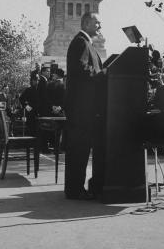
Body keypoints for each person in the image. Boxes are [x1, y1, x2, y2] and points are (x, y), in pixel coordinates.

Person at [64, 12, 104, 200]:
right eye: (97, 22)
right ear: (87, 22)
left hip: (84, 108)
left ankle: (75, 188)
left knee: (80, 150)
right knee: (79, 150)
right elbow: (80, 69)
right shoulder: (81, 42)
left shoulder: (85, 42)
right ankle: (75, 190)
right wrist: (101, 74)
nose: (99, 26)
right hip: (81, 109)